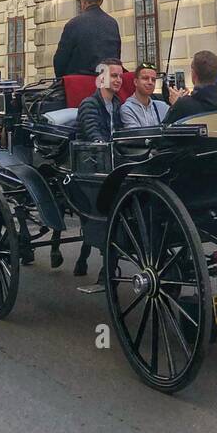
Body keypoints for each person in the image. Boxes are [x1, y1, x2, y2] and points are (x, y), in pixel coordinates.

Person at [73, 61, 124, 282]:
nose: (119, 80)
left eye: (120, 76)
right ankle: (108, 258)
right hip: (93, 164)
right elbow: (94, 135)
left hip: (115, 162)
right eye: (114, 76)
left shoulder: (120, 104)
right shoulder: (89, 104)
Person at [53, 0, 121, 79]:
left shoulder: (74, 24)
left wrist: (63, 81)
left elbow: (60, 61)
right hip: (106, 83)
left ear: (83, 1)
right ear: (101, 1)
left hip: (80, 84)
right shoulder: (112, 23)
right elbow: (116, 56)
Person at [163, 51, 217, 125]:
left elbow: (163, 130)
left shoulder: (182, 106)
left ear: (194, 74)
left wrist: (176, 105)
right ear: (216, 75)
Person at [119, 64, 170, 129]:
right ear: (136, 82)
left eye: (153, 80)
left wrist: (176, 104)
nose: (150, 82)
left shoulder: (163, 106)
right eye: (145, 78)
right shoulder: (127, 108)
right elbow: (135, 135)